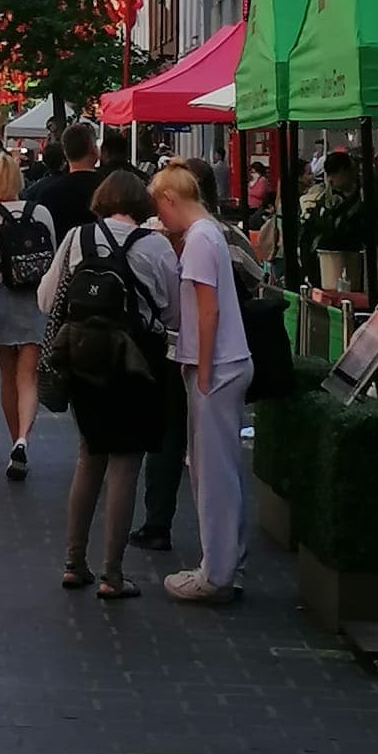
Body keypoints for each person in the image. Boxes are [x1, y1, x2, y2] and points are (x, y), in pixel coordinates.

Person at [38, 169, 179, 599]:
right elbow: (173, 312)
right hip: (137, 363)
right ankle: (112, 574)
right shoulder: (155, 245)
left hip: (84, 359)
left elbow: (47, 299)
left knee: (89, 455)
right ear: (143, 204)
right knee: (126, 462)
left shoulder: (78, 238)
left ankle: (73, 562)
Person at [132, 156, 259, 552]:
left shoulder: (200, 240)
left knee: (214, 474)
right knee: (216, 469)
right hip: (222, 364)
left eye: (159, 209)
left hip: (215, 366)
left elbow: (208, 310)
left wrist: (202, 371)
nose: (160, 220)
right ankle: (224, 564)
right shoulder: (210, 234)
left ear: (169, 199)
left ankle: (218, 568)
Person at [0, 152, 55, 480]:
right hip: (35, 298)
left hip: (0, 298)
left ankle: (13, 439)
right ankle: (24, 439)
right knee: (28, 375)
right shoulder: (42, 212)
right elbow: (53, 256)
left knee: (7, 374)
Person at [300, 148, 367, 290]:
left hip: (356, 267)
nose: (330, 179)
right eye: (328, 174)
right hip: (325, 269)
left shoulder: (364, 198)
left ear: (347, 170)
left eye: (335, 173)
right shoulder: (323, 201)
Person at [31, 120, 100, 242]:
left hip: (63, 257)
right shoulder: (110, 189)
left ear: (65, 152)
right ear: (92, 149)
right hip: (105, 258)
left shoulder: (49, 193)